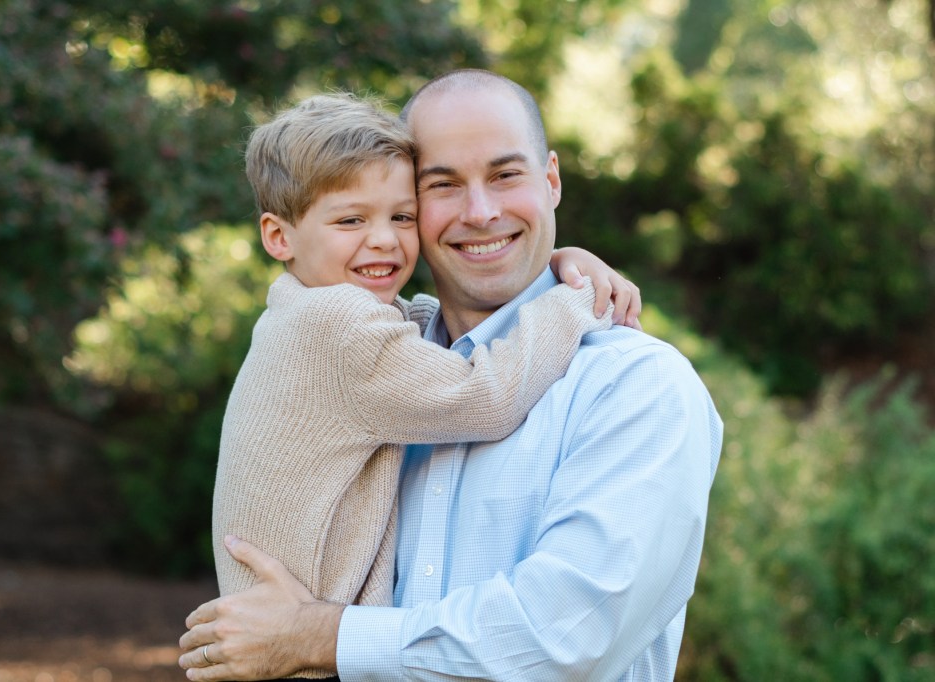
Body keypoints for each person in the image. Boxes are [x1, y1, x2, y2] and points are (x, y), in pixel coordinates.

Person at [180, 70, 722, 681]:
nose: (481, 212)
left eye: (505, 175)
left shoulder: (636, 386)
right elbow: (478, 392)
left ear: (551, 181)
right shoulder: (381, 355)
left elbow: (564, 641)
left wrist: (316, 636)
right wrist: (571, 296)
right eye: (443, 185)